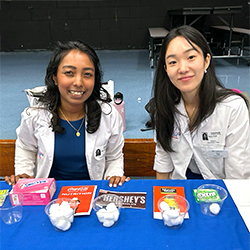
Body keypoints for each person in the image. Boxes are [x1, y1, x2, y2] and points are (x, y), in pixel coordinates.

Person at [5, 40, 130, 187]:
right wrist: (24, 174)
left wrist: (114, 175)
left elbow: (114, 156)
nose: (78, 82)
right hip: (51, 196)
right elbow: (25, 147)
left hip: (93, 193)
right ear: (55, 78)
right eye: (69, 73)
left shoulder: (108, 115)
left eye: (87, 74)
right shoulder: (35, 115)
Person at [150, 25, 250, 179]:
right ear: (165, 69)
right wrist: (161, 196)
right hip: (180, 186)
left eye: (191, 57)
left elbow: (238, 173)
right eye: (172, 62)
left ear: (206, 61)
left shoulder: (233, 108)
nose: (182, 69)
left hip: (221, 188)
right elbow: (163, 160)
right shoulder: (163, 107)